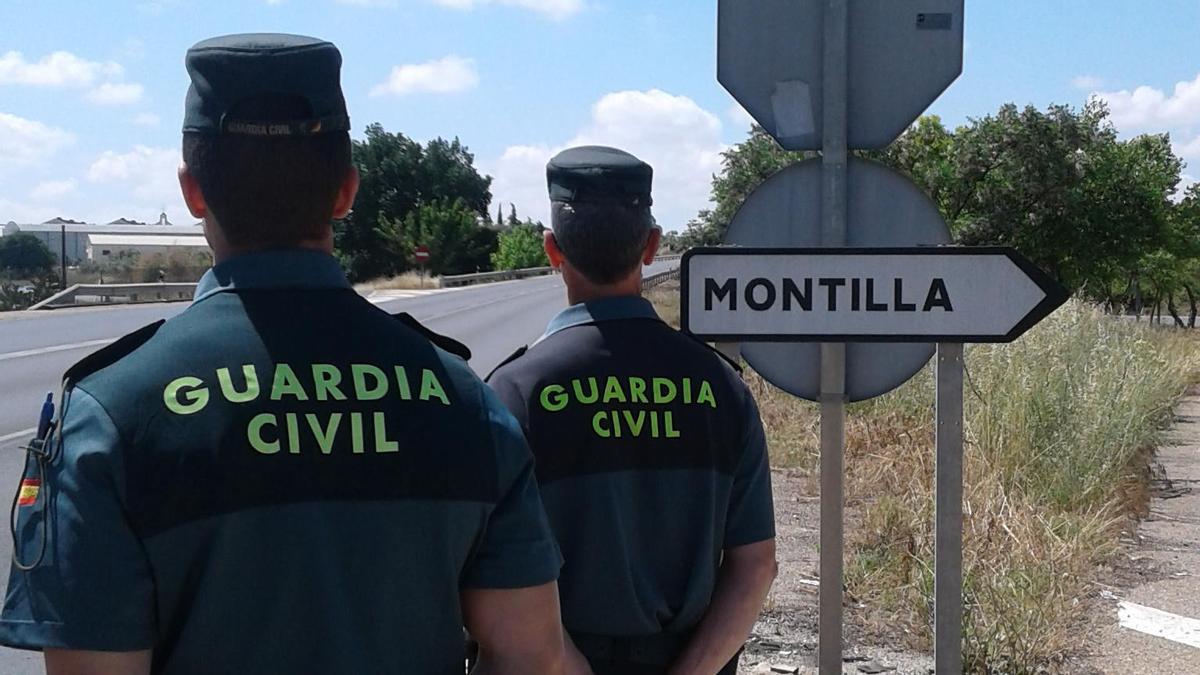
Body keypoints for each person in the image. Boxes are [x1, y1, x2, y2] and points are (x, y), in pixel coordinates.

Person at [0, 33, 565, 675]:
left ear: (193, 194)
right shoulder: (466, 404)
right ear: (346, 192)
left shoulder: (110, 416)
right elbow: (532, 657)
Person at [486, 146, 778, 675]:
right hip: (692, 657)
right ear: (652, 246)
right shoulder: (721, 388)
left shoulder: (513, 393)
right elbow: (755, 566)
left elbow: (500, 588)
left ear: (553, 250)